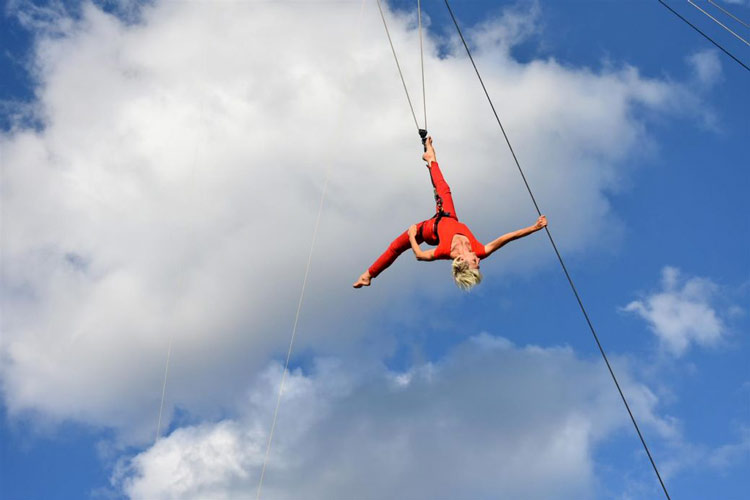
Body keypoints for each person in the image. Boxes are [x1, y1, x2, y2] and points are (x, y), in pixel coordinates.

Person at [353, 136, 547, 291]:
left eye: (475, 264)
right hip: (448, 215)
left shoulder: (445, 251)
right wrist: (534, 227)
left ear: (462, 261)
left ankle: (368, 275)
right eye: (478, 263)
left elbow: (420, 255)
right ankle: (430, 159)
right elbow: (507, 238)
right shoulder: (480, 250)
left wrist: (413, 236)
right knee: (444, 188)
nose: (478, 260)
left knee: (396, 247)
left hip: (429, 230)